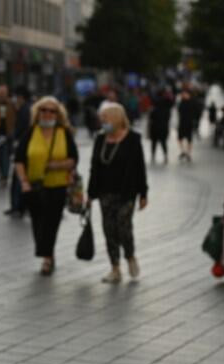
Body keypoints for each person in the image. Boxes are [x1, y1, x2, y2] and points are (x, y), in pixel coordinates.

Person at [14, 96, 79, 276]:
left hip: (57, 185)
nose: (47, 114)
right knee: (38, 223)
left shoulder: (63, 133)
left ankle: (47, 258)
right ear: (37, 112)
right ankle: (47, 252)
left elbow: (74, 159)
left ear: (58, 114)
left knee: (51, 223)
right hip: (34, 186)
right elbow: (19, 159)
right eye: (43, 110)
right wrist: (24, 182)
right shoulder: (30, 132)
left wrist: (56, 165)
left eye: (52, 111)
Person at [87, 102, 148, 284]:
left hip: (126, 192)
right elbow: (94, 167)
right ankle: (115, 268)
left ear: (115, 118)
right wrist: (90, 194)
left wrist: (143, 194)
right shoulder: (100, 139)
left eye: (105, 118)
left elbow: (140, 168)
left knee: (123, 227)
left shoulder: (133, 139)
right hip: (105, 192)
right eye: (101, 119)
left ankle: (130, 255)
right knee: (109, 230)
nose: (102, 122)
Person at [5, 85, 33, 218]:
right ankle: (20, 206)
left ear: (21, 97)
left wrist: (14, 140)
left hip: (22, 149)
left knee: (18, 178)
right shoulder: (25, 109)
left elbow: (21, 130)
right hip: (24, 147)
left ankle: (18, 206)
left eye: (16, 96)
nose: (15, 99)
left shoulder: (24, 110)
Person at [148, 88, 174, 164]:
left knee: (154, 142)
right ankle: (165, 156)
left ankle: (153, 156)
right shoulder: (167, 108)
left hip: (154, 127)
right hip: (164, 127)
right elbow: (168, 117)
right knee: (163, 142)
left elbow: (151, 117)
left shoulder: (154, 108)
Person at [177, 90, 198, 162]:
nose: (183, 95)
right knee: (179, 138)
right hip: (182, 122)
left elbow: (196, 112)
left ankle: (188, 153)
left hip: (189, 123)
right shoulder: (181, 102)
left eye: (185, 94)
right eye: (183, 94)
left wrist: (195, 121)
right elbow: (179, 111)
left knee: (189, 139)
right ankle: (183, 151)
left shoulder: (192, 102)